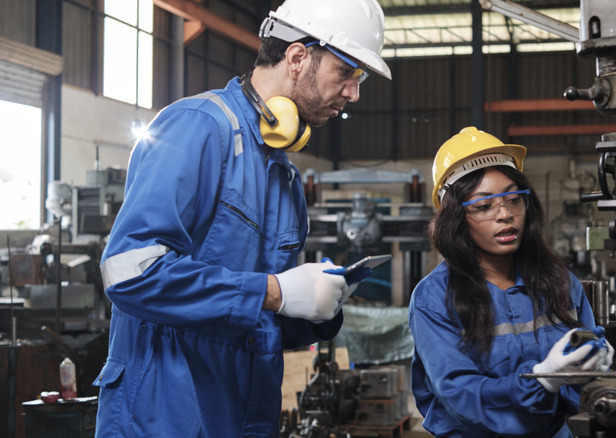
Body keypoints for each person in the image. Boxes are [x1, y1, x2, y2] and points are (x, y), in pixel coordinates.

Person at [91, 0, 391, 436]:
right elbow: (129, 272)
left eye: (359, 79)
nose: (354, 93)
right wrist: (272, 291)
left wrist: (317, 308)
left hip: (242, 413)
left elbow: (260, 314)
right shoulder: (197, 127)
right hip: (164, 412)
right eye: (346, 73)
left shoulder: (285, 178)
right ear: (297, 57)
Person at [408, 127, 613, 437]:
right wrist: (541, 380)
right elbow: (459, 393)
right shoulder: (434, 298)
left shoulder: (558, 281)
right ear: (455, 217)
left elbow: (582, 383)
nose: (505, 214)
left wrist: (593, 364)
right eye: (483, 205)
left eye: (513, 199)